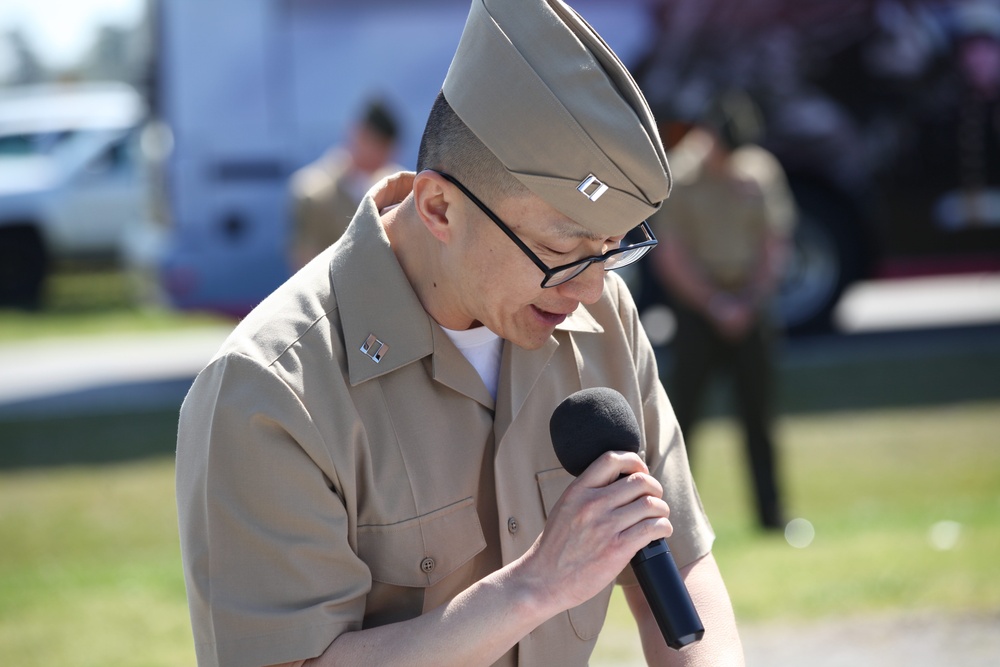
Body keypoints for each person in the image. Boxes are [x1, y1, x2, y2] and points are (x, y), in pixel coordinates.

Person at [176, 1, 745, 666]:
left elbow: (678, 573)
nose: (591, 288)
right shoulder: (269, 388)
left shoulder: (601, 314)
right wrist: (533, 586)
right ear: (440, 208)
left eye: (614, 249)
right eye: (564, 250)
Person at [648, 92, 796, 532]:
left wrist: (748, 302)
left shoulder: (758, 170)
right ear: (706, 137)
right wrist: (715, 304)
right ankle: (672, 520)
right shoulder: (681, 173)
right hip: (698, 308)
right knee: (681, 421)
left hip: (749, 306)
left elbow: (775, 242)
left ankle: (772, 518)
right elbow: (671, 254)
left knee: (759, 417)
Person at [287, 98, 401, 270]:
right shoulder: (313, 191)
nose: (385, 156)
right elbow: (305, 265)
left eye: (388, 148)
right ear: (359, 135)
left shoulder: (397, 187)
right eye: (379, 146)